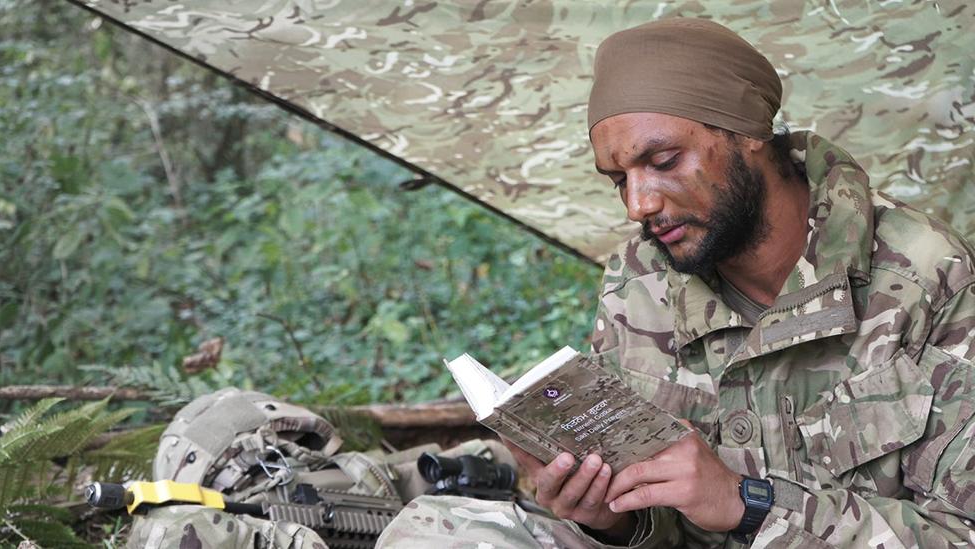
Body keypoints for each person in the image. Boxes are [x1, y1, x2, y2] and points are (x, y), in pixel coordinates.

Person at [377, 18, 975, 548]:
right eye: (618, 180)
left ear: (749, 133)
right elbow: (661, 524)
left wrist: (749, 503)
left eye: (662, 162)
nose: (639, 204)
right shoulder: (638, 283)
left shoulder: (928, 276)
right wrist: (610, 519)